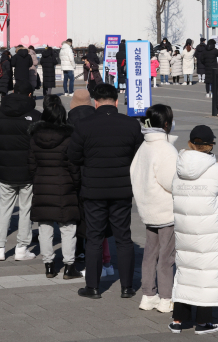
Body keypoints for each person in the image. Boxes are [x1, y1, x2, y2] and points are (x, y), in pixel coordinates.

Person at [68, 83, 144, 299]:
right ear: (117, 102)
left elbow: (73, 156)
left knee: (94, 236)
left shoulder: (84, 125)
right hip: (122, 189)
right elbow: (140, 156)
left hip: (93, 189)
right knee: (123, 237)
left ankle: (92, 287)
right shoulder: (131, 125)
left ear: (96, 102)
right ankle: (128, 287)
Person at [167, 125, 218, 335]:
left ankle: (178, 320)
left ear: (191, 143)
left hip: (184, 230)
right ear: (209, 145)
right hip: (210, 232)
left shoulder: (179, 169)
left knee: (185, 272)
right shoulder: (216, 170)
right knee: (206, 274)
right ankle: (203, 322)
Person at [28, 95, 83, 279]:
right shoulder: (69, 136)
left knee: (44, 227)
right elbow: (74, 165)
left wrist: (37, 178)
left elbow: (31, 164)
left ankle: (49, 266)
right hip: (64, 185)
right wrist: (76, 184)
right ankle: (69, 266)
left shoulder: (35, 136)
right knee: (68, 228)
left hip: (42, 185)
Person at [130, 104, 177, 314]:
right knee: (166, 257)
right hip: (165, 210)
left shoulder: (144, 146)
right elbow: (170, 181)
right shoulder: (165, 149)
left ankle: (148, 294)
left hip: (148, 209)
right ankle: (166, 298)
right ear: (166, 124)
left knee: (150, 253)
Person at [0, 81, 42, 261]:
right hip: (28, 171)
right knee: (26, 209)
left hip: (4, 170)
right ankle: (22, 248)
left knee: (4, 208)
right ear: (29, 95)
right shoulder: (35, 115)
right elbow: (39, 144)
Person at [66, 90, 96, 262]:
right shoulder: (96, 117)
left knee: (76, 210)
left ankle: (78, 248)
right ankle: (91, 245)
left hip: (76, 170)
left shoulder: (70, 119)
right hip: (93, 170)